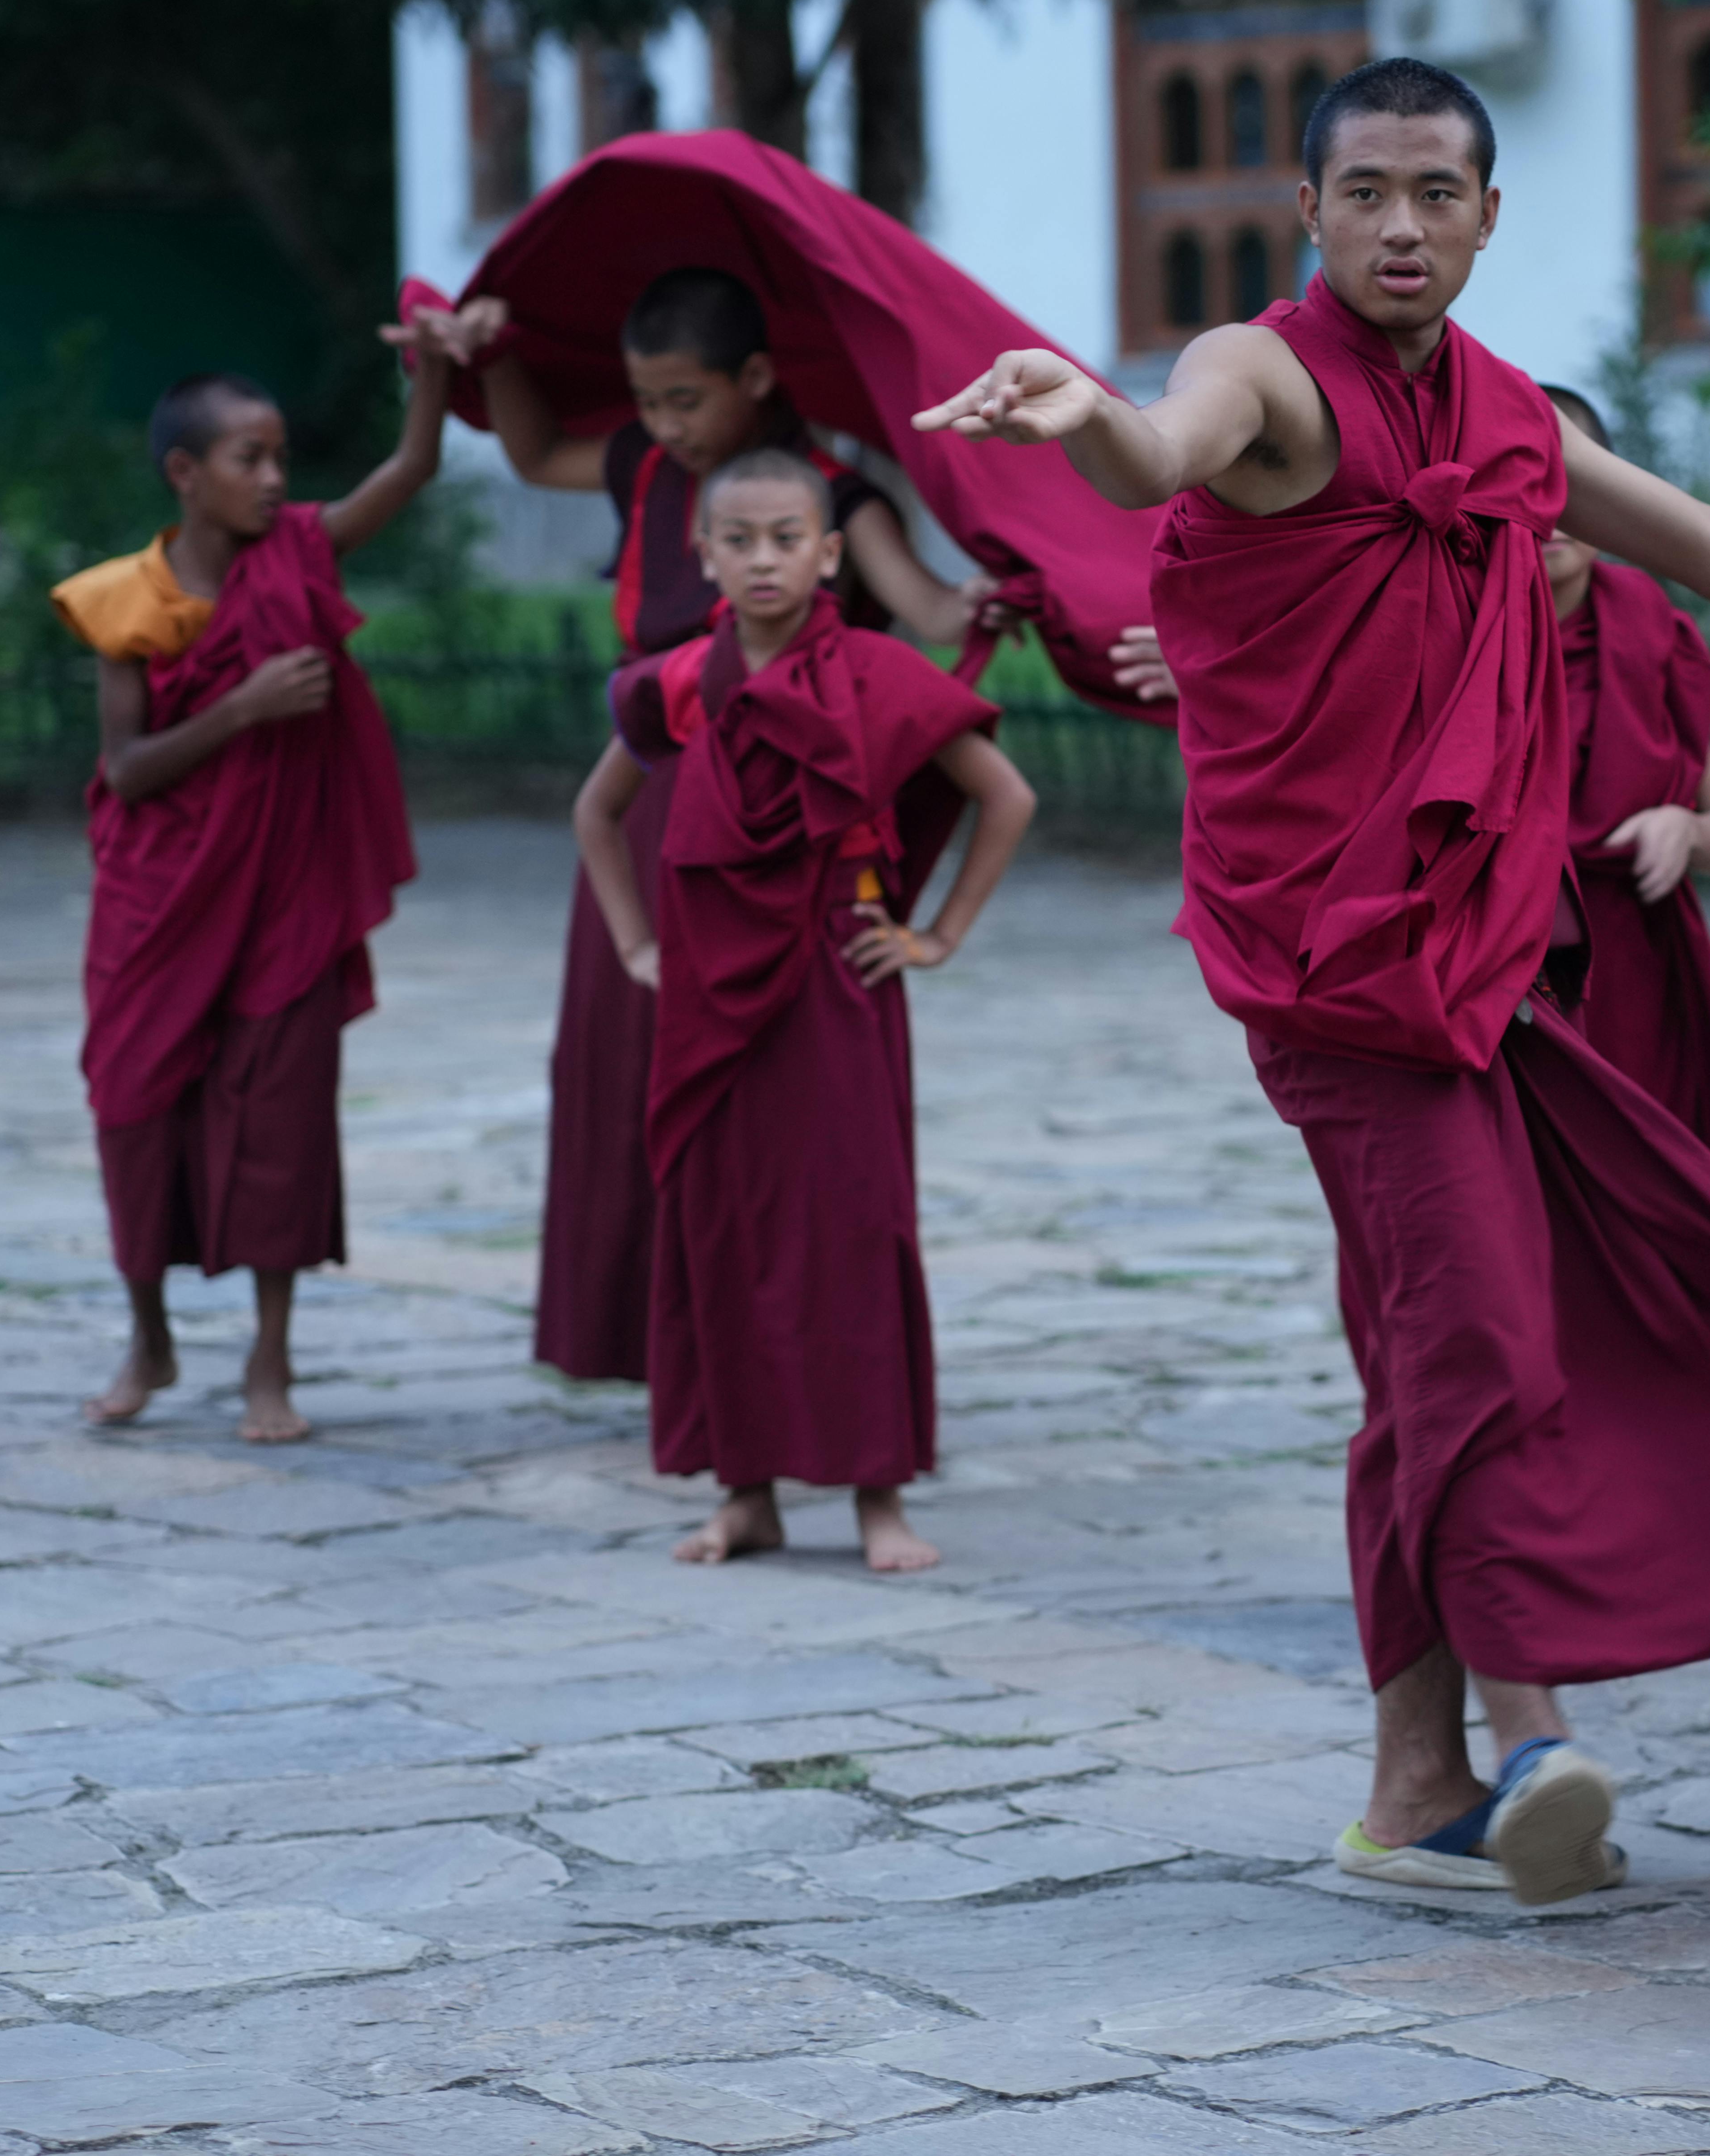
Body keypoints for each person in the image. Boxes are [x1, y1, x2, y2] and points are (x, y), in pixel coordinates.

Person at [919, 57, 1710, 1905]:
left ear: (1490, 216)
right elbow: (1164, 451)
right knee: (1482, 1326)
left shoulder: (1507, 417)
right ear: (1308, 215)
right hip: (1334, 962)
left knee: (1435, 1347)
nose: (1401, 225)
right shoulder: (1263, 369)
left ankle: (1409, 1798)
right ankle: (1532, 1735)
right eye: (1365, 193)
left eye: (1437, 192)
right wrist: (1082, 411)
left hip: (1485, 954)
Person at [397, 269, 1164, 1388]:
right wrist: (491, 356)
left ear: (755, 380)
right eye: (647, 402)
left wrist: (997, 597)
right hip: (664, 791)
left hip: (790, 826)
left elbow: (928, 609)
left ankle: (789, 1350)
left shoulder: (838, 500)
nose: (665, 424)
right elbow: (530, 457)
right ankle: (658, 1339)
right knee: (631, 1074)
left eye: (684, 400)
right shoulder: (653, 472)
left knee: (791, 1114)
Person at [572, 446, 1036, 1574]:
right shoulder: (681, 682)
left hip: (837, 974)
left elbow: (1004, 795)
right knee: (720, 1226)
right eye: (741, 540)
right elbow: (597, 812)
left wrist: (936, 933)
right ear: (705, 554)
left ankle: (878, 1498)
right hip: (709, 991)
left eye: (789, 538)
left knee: (854, 1228)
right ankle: (747, 1494)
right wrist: (636, 943)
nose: (765, 558)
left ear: (830, 554)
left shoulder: (875, 670)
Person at [57, 358, 442, 1442]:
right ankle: (151, 1340)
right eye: (250, 459)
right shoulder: (125, 600)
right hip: (157, 901)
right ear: (186, 473)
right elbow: (127, 769)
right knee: (132, 1109)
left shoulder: (302, 555)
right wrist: (245, 707)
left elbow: (410, 467)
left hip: (280, 897)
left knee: (278, 1125)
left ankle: (270, 1363)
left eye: (281, 457)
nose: (275, 478)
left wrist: (433, 366)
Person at [1537, 384, 1710, 1211]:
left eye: (1582, 485)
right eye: (1529, 479)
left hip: (1642, 968)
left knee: (1661, 1210)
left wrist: (1683, 824)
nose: (1556, 513)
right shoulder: (1449, 628)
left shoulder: (1650, 625)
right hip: (1506, 972)